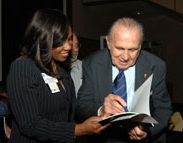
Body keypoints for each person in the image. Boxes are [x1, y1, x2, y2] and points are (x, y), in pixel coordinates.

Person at [6, 9, 108, 143]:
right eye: (60, 41)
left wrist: (100, 111)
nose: (68, 47)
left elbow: (70, 114)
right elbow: (30, 125)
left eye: (69, 39)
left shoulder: (62, 70)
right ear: (43, 39)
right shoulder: (23, 67)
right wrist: (78, 130)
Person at [75, 17, 173, 143]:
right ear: (108, 43)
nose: (125, 57)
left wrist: (147, 130)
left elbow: (163, 109)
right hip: (105, 137)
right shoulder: (92, 63)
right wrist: (101, 110)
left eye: (132, 50)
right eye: (120, 48)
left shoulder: (156, 66)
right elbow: (82, 105)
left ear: (140, 46)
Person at [70, 33, 83, 97]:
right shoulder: (55, 69)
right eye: (71, 45)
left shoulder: (83, 66)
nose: (75, 49)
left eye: (77, 45)